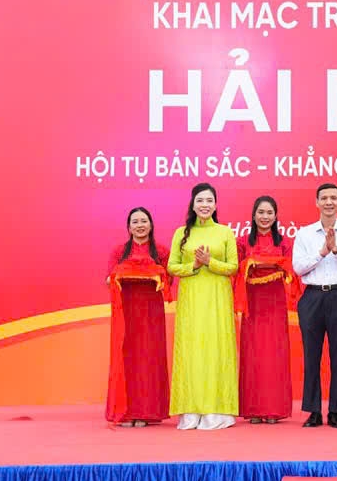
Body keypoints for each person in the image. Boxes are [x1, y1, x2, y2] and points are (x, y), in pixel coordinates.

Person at [292, 183, 337, 428]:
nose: (329, 202)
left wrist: (336, 251)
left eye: (333, 198)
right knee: (311, 356)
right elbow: (298, 267)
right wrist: (322, 252)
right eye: (324, 198)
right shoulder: (304, 234)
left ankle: (335, 411)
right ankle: (313, 411)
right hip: (312, 297)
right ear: (316, 202)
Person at [168, 183, 240, 430]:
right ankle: (191, 410)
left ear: (216, 205)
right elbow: (172, 267)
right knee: (192, 350)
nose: (205, 205)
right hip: (191, 299)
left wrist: (211, 262)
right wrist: (195, 266)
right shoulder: (181, 233)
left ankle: (216, 410)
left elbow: (233, 267)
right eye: (200, 200)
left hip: (218, 298)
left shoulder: (225, 232)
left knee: (216, 348)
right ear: (193, 204)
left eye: (209, 200)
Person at [105, 207, 171, 427]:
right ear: (129, 227)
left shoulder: (161, 251)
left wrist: (154, 273)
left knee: (149, 358)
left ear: (151, 225)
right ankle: (126, 412)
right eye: (135, 222)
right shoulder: (119, 251)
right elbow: (109, 279)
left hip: (151, 313)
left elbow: (168, 280)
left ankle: (147, 412)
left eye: (144, 221)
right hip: (127, 312)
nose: (140, 225)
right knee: (128, 357)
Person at [236, 196, 297, 424]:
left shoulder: (284, 242)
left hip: (275, 302)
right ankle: (254, 409)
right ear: (253, 215)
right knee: (253, 353)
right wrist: (254, 263)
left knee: (274, 353)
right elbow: (236, 270)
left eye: (269, 213)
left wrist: (262, 263)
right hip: (252, 303)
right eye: (261, 212)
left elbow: (290, 267)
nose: (265, 217)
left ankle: (274, 409)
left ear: (275, 216)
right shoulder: (242, 242)